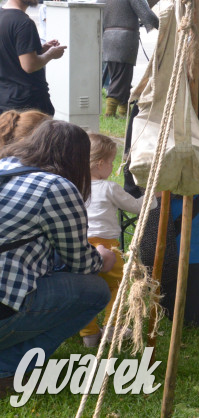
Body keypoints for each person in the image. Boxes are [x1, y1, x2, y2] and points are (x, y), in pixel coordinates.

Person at [0, 120, 116, 389]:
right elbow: (81, 262)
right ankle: (8, 367)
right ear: (78, 159)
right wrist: (102, 257)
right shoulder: (55, 187)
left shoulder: (5, 167)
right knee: (95, 291)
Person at [79, 133, 143, 347]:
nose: (112, 166)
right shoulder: (109, 188)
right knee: (117, 285)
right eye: (112, 162)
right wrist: (153, 196)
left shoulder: (74, 187)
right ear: (100, 163)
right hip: (107, 246)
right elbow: (136, 207)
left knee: (84, 289)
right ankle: (112, 326)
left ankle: (88, 333)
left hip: (80, 246)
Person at [0, 0, 66, 115]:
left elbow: (10, 53)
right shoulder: (23, 23)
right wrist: (51, 54)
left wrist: (40, 50)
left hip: (5, 99)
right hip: (28, 105)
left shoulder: (3, 15)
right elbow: (29, 65)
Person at [96, 0, 159, 118]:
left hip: (107, 39)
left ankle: (123, 111)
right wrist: (163, 26)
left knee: (120, 76)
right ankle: (110, 112)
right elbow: (147, 15)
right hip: (125, 40)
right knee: (122, 77)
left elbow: (96, 18)